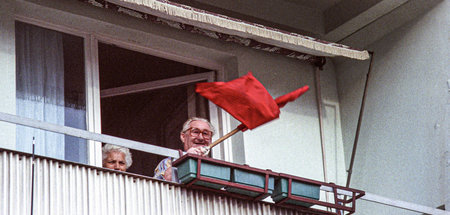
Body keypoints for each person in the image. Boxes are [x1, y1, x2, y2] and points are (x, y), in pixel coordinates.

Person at [154, 117, 215, 181]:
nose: (201, 138)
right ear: (183, 137)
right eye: (195, 132)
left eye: (205, 133)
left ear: (210, 140)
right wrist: (185, 158)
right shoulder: (168, 162)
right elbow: (162, 184)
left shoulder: (214, 168)